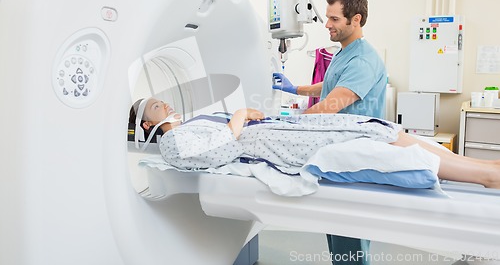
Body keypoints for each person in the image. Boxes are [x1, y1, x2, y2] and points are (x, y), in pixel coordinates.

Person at [129, 97, 500, 190]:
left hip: (281, 131)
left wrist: (247, 117)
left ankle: (486, 167)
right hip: (279, 147)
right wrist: (240, 115)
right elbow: (221, 150)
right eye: (161, 106)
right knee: (373, 139)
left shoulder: (193, 122)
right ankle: (485, 176)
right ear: (150, 123)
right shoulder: (172, 143)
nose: (170, 106)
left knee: (377, 128)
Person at [273, 0, 385, 264]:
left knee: (349, 236)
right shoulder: (346, 52)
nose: (327, 25)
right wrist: (295, 88)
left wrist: (290, 124)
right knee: (336, 231)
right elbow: (331, 85)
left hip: (354, 157)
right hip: (338, 153)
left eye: (334, 19)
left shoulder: (362, 59)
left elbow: (333, 103)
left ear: (355, 19)